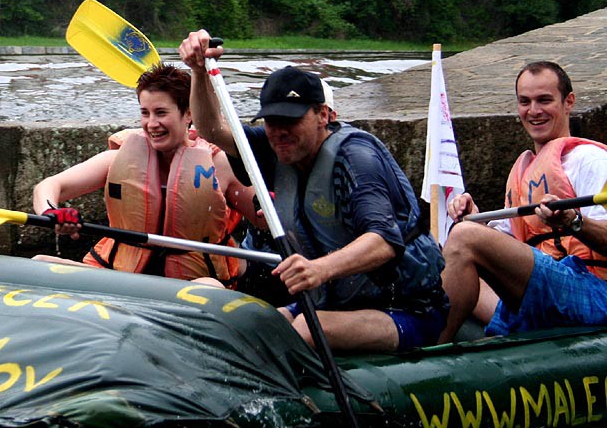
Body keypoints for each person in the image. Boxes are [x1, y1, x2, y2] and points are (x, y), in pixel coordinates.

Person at [179, 31, 447, 353]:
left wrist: (318, 269)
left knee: (307, 328)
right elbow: (212, 130)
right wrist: (198, 71)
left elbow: (384, 241)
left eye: (290, 120)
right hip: (332, 304)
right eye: (271, 120)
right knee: (246, 328)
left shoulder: (356, 158)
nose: (279, 131)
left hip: (404, 310)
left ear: (322, 115)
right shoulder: (273, 149)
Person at [32, 62, 265, 285]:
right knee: (40, 263)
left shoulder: (218, 165)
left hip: (193, 283)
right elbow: (49, 186)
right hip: (121, 277)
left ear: (188, 114)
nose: (152, 123)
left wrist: (269, 203)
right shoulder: (117, 159)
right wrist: (51, 212)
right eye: (145, 113)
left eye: (161, 113)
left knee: (208, 287)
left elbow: (263, 218)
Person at [438, 61, 607, 342]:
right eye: (525, 102)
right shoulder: (523, 174)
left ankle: (431, 353)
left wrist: (574, 221)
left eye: (544, 100)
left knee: (466, 238)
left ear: (569, 102)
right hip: (549, 290)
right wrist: (473, 218)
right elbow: (505, 247)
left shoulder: (591, 161)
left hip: (594, 291)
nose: (534, 111)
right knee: (455, 248)